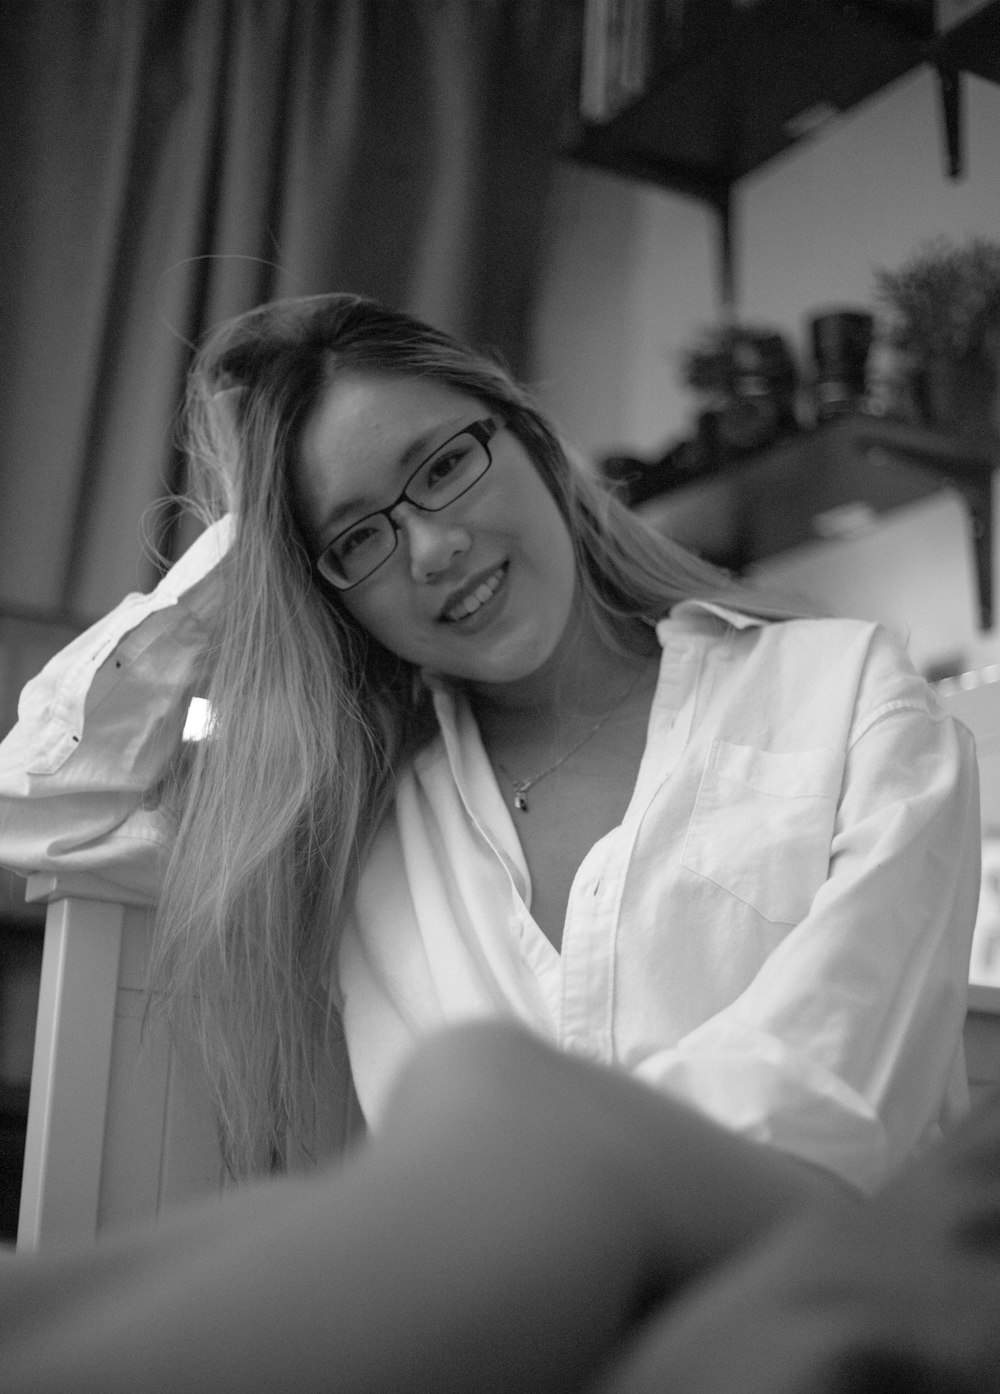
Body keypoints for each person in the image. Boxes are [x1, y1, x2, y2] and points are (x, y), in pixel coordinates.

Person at [0, 291, 980, 1197]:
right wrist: (247, 559)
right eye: (357, 538)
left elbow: (828, 1099)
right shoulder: (345, 810)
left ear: (534, 442)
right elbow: (35, 809)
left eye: (441, 467)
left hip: (779, 1347)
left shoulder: (844, 695)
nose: (431, 548)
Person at [1, 1019, 998, 1394]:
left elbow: (816, 1100)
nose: (423, 586)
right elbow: (66, 772)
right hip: (522, 1198)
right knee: (303, 1191)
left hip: (736, 1210)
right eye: (348, 585)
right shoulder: (386, 781)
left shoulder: (837, 690)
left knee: (497, 1088)